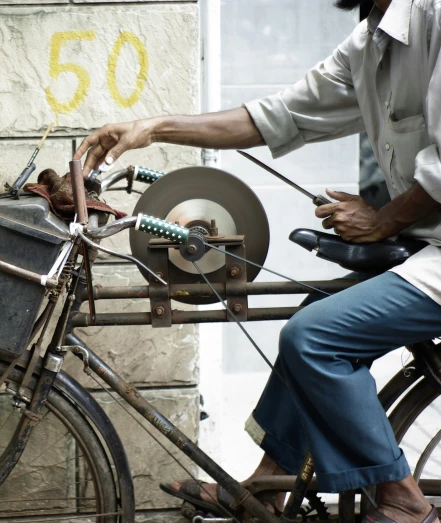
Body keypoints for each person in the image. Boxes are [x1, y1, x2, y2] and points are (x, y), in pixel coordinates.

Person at [74, 1, 441, 522]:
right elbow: (274, 116)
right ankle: (266, 488)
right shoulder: (372, 41)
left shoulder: (436, 21)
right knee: (315, 309)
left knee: (314, 338)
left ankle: (404, 500)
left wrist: (382, 222)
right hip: (427, 242)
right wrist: (152, 127)